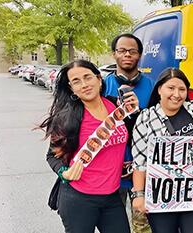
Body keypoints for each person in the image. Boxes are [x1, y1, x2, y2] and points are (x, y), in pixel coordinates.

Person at [39, 60, 139, 233]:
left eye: (88, 77)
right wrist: (65, 173)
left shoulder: (117, 107)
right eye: (76, 81)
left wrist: (136, 111)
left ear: (99, 79)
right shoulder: (68, 117)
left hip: (112, 195)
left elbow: (131, 136)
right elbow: (51, 156)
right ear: (71, 88)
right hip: (79, 198)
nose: (84, 84)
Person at [131, 67, 193, 233]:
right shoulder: (146, 118)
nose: (177, 94)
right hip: (160, 194)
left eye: (182, 89)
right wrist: (139, 195)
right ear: (159, 89)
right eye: (170, 88)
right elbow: (140, 162)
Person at [103, 33, 154, 233]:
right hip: (111, 169)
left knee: (144, 226)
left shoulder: (152, 87)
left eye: (132, 51)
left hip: (143, 169)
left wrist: (138, 113)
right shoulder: (102, 86)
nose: (127, 55)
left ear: (140, 55)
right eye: (122, 50)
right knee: (114, 226)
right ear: (114, 54)